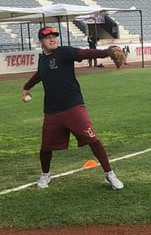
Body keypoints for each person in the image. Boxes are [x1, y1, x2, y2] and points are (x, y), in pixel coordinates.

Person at [22, 26, 124, 190]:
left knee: (93, 140)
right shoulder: (42, 60)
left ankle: (109, 174)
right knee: (46, 147)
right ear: (41, 41)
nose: (52, 39)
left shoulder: (64, 52)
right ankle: (45, 175)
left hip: (73, 107)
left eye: (54, 36)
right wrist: (26, 87)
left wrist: (106, 52)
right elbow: (40, 74)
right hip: (52, 111)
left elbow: (84, 53)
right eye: (48, 37)